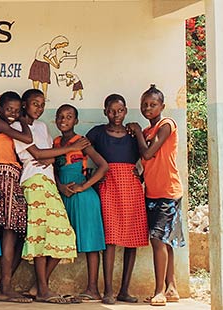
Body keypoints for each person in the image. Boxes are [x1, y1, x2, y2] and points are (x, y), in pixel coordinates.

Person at [14, 89, 87, 304]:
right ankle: (44, 290)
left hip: (49, 182)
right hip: (33, 180)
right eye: (35, 103)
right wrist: (68, 149)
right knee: (40, 233)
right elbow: (37, 154)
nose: (39, 108)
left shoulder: (43, 126)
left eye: (42, 104)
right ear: (24, 104)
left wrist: (53, 157)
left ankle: (39, 286)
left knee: (63, 233)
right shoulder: (17, 127)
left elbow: (48, 155)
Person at [86, 94, 148, 305]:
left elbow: (147, 155)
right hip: (108, 185)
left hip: (131, 187)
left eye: (120, 110)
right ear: (105, 111)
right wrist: (89, 177)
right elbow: (81, 150)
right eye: (112, 111)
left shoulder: (132, 133)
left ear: (126, 111)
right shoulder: (97, 133)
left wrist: (142, 175)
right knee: (110, 238)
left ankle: (124, 289)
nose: (116, 115)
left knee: (133, 239)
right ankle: (109, 291)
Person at [130, 85, 185, 307]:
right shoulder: (146, 133)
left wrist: (135, 131)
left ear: (162, 106)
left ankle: (159, 291)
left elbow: (148, 152)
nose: (148, 108)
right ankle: (172, 287)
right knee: (165, 239)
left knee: (157, 240)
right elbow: (146, 162)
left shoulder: (166, 125)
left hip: (168, 192)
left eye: (153, 104)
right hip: (152, 192)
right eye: (144, 105)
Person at [53, 104, 110, 302]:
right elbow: (53, 170)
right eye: (60, 116)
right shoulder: (56, 142)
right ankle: (41, 286)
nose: (64, 120)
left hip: (84, 199)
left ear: (76, 121)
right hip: (64, 196)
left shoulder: (82, 142)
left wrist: (84, 187)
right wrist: (60, 187)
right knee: (58, 239)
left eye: (69, 117)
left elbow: (103, 167)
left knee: (90, 242)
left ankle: (93, 289)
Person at [0, 91, 33, 303]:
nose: (12, 113)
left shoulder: (6, 128)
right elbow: (28, 139)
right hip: (5, 178)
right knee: (10, 233)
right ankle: (5, 288)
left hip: (12, 177)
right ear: (0, 109)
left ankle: (3, 287)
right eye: (9, 109)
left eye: (17, 109)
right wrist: (23, 121)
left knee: (16, 235)